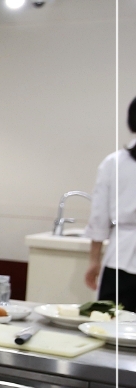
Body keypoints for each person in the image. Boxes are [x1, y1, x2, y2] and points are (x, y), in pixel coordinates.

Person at [84, 97, 136, 310]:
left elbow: (99, 218)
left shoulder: (114, 163)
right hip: (121, 255)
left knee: (111, 322)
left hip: (120, 259)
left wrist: (94, 261)